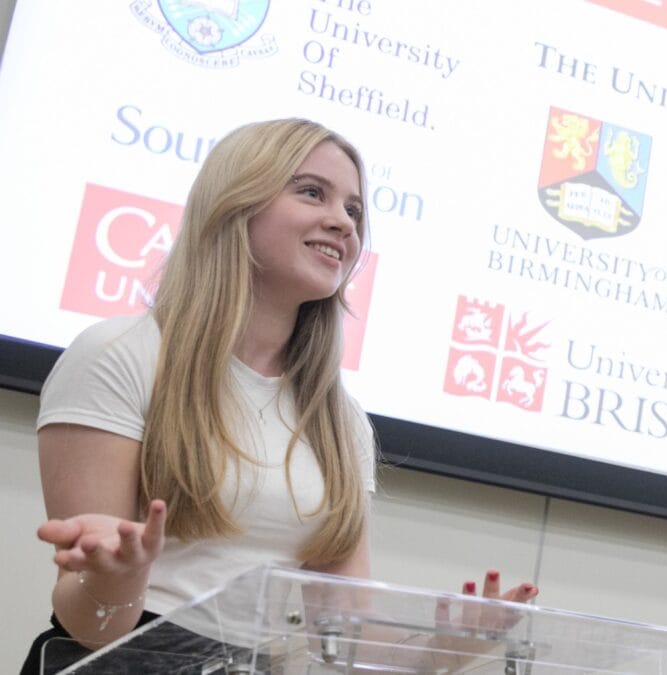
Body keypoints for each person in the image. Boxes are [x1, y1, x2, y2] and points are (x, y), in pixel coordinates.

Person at [22, 118, 538, 673]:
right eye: (312, 192)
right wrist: (116, 576)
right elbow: (89, 624)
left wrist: (449, 647)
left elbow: (342, 637)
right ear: (235, 204)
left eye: (355, 210)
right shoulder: (118, 355)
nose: (342, 221)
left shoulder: (340, 419)